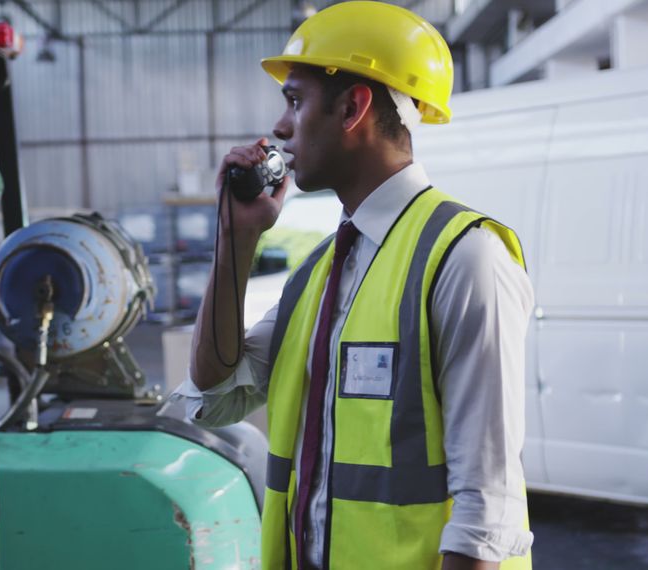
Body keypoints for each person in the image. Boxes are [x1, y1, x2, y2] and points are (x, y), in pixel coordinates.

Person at [175, 2, 535, 568]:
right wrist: (236, 241)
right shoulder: (318, 273)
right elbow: (214, 396)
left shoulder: (465, 258)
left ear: (352, 107)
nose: (279, 127)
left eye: (295, 100)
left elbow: (486, 512)